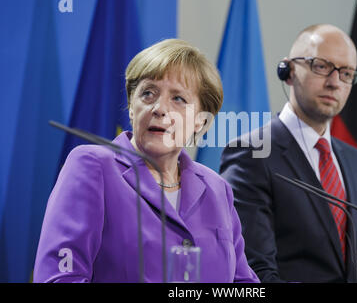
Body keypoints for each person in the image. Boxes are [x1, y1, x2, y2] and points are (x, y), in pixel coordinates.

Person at [33, 39, 259, 283]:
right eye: (148, 94)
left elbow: (243, 283)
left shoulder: (217, 189)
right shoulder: (93, 166)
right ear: (132, 108)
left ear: (201, 122)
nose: (159, 108)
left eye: (178, 99)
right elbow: (59, 277)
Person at [220, 24, 357, 282]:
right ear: (288, 71)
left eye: (346, 73)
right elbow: (256, 274)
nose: (334, 82)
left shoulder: (354, 160)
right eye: (321, 66)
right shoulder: (252, 153)